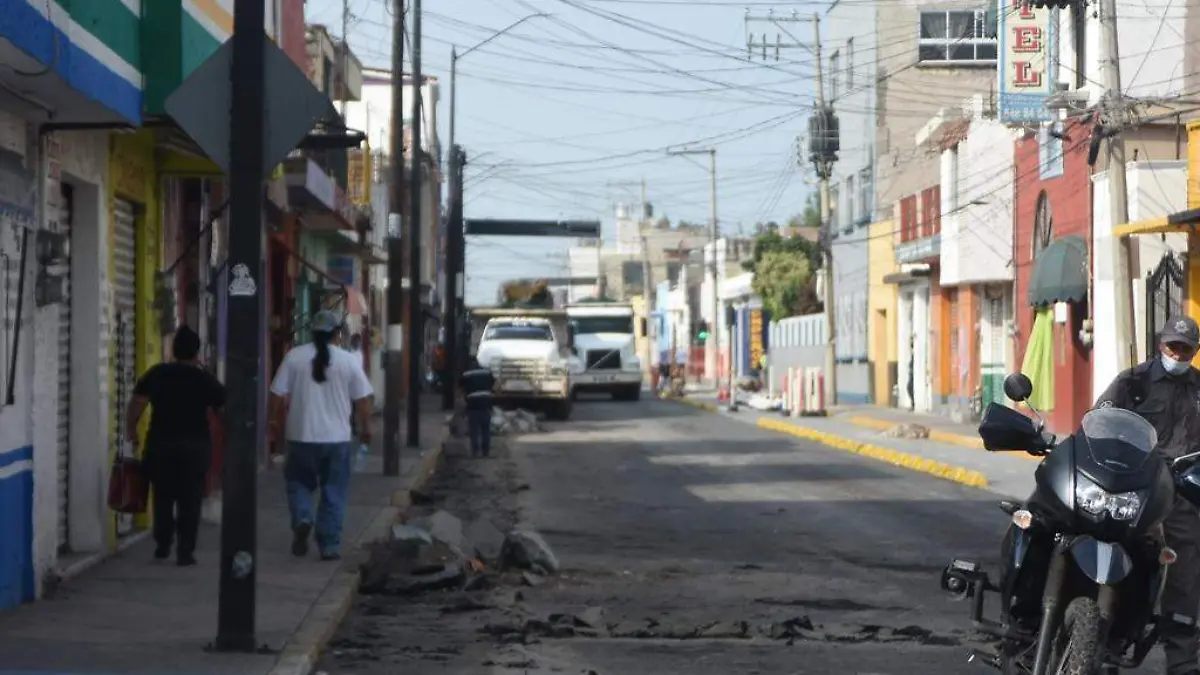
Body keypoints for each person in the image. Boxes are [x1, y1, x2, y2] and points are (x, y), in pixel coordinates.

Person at [1094, 315, 1200, 675]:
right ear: (1161, 345)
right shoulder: (1133, 382)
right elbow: (1099, 420)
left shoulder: (1199, 388)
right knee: (1118, 561)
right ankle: (1104, 643)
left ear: (1195, 352)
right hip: (1134, 490)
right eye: (1173, 346)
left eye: (1186, 349)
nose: (1178, 353)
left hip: (1182, 495)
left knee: (1184, 575)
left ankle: (1183, 661)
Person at [269, 310, 374, 561]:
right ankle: (329, 545)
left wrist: (272, 421)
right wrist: (366, 429)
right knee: (333, 491)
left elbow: (276, 393)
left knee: (298, 484)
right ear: (337, 333)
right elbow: (363, 401)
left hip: (300, 437)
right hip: (337, 440)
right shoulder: (348, 361)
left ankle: (304, 517)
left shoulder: (294, 357)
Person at [125, 326, 226, 567]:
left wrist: (131, 431)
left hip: (161, 446)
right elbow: (223, 412)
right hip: (195, 448)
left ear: (173, 349)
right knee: (190, 500)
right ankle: (185, 551)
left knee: (162, 496)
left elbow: (137, 404)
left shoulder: (157, 374)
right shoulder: (205, 379)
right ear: (196, 352)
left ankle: (162, 544)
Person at [460, 355, 495, 457]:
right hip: (486, 403)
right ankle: (486, 451)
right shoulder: (487, 372)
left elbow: (461, 389)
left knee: (474, 429)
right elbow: (494, 384)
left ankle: (475, 451)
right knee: (486, 429)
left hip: (473, 404)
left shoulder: (466, 374)